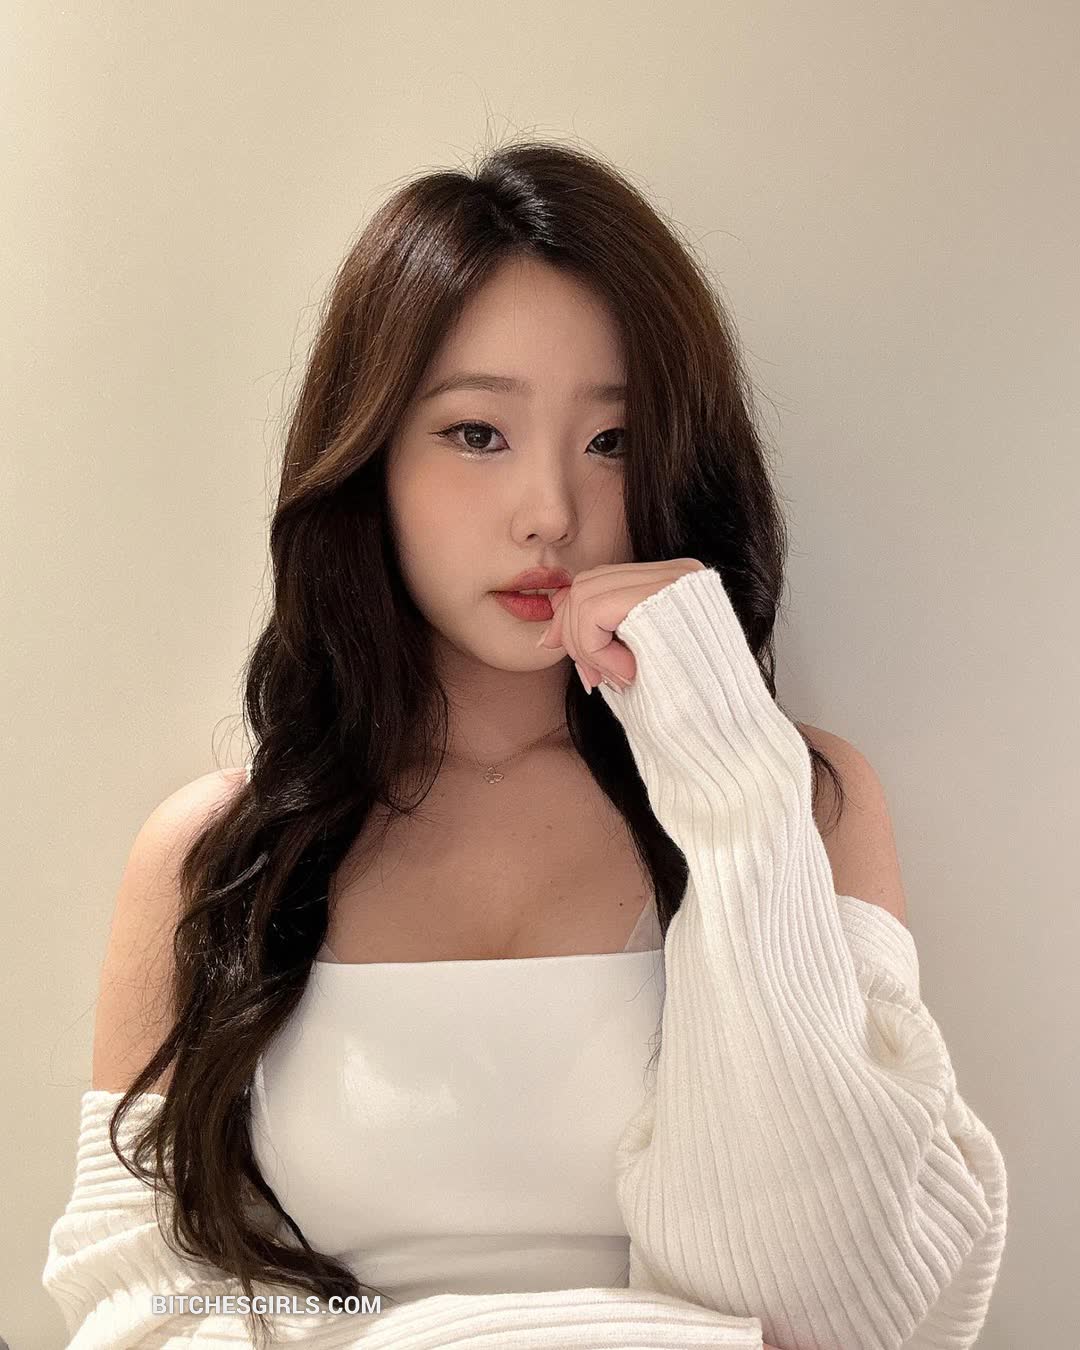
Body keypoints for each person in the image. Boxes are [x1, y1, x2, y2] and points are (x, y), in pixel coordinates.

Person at [42, 138, 1007, 1350]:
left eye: (613, 442)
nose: (550, 512)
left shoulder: (801, 802)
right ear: (372, 458)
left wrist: (724, 766)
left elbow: (825, 1300)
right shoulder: (218, 854)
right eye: (475, 433)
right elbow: (140, 1308)